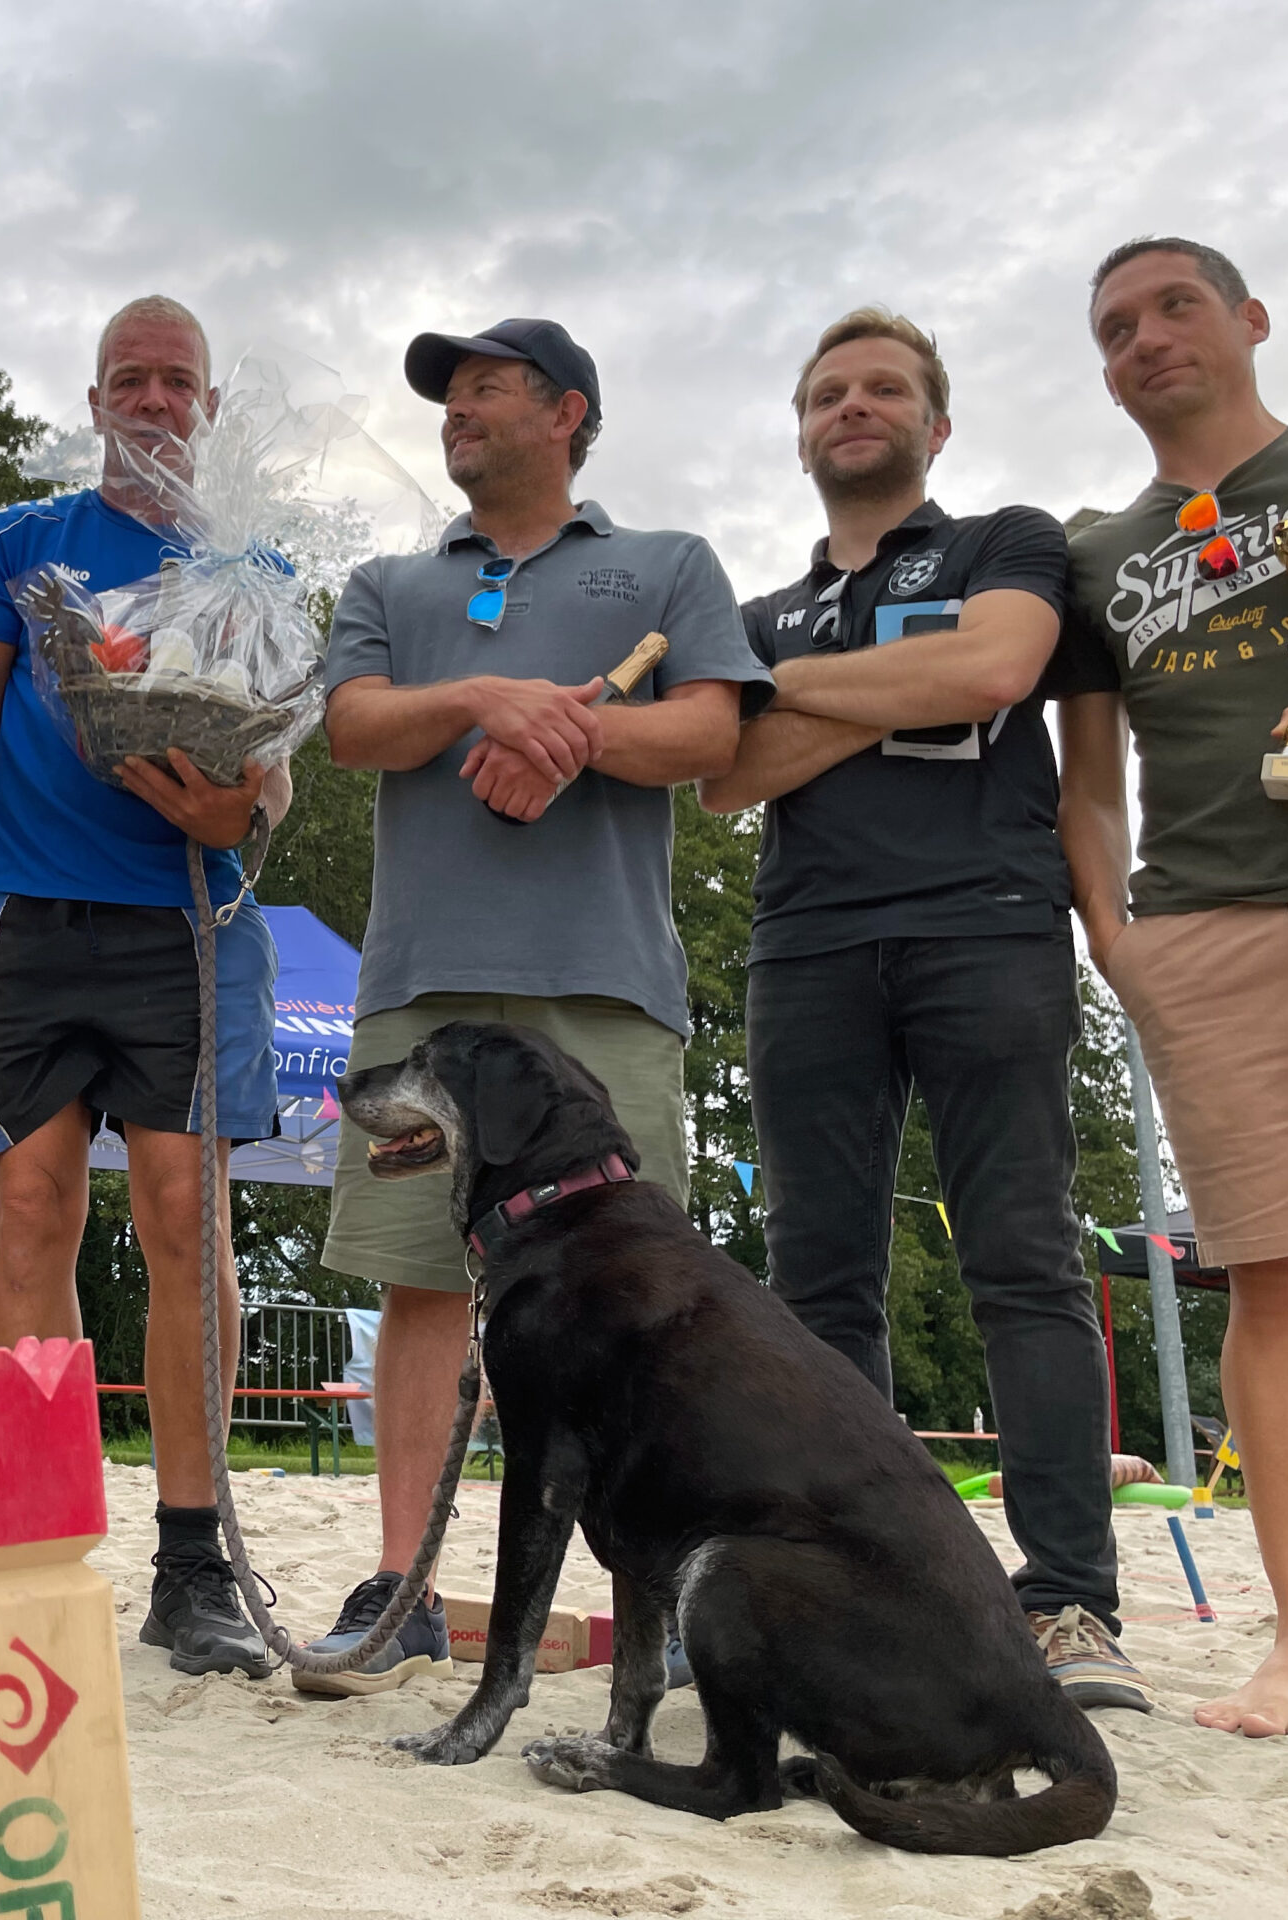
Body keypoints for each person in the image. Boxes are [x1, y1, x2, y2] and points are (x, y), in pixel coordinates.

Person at [308, 317, 766, 1694]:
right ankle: (402, 1590)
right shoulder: (389, 581)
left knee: (635, 1296)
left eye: (485, 388)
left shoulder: (667, 564)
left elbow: (711, 733)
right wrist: (486, 699)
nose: (456, 410)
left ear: (567, 412)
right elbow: (352, 726)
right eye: (448, 395)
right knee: (417, 1282)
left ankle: (652, 1603)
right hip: (422, 985)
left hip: (606, 982)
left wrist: (571, 735)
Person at [703, 307, 1147, 1711]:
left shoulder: (1006, 543)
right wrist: (894, 683)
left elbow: (996, 669)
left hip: (989, 924)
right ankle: (860, 1586)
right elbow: (723, 777)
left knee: (1023, 1259)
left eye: (884, 388)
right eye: (827, 392)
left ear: (935, 424)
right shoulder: (754, 614)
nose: (853, 405)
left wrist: (790, 699)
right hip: (807, 944)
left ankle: (1067, 1600)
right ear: (799, 432)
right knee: (818, 1282)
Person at [0, 295, 294, 1677]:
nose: (152, 399)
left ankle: (193, 1562)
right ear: (92, 401)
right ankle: (31, 1546)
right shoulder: (20, 540)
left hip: (189, 920)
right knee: (29, 1207)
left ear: (208, 406)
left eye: (175, 380)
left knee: (186, 1215)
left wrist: (233, 815)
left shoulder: (253, 560)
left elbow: (275, 779)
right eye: (128, 378)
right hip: (30, 915)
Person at [1056, 237, 1288, 1737]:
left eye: (1175, 306)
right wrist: (1119, 941)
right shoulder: (1096, 552)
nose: (1146, 339)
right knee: (1283, 1281)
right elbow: (1089, 779)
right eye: (1115, 327)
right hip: (1206, 933)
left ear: (1250, 317)